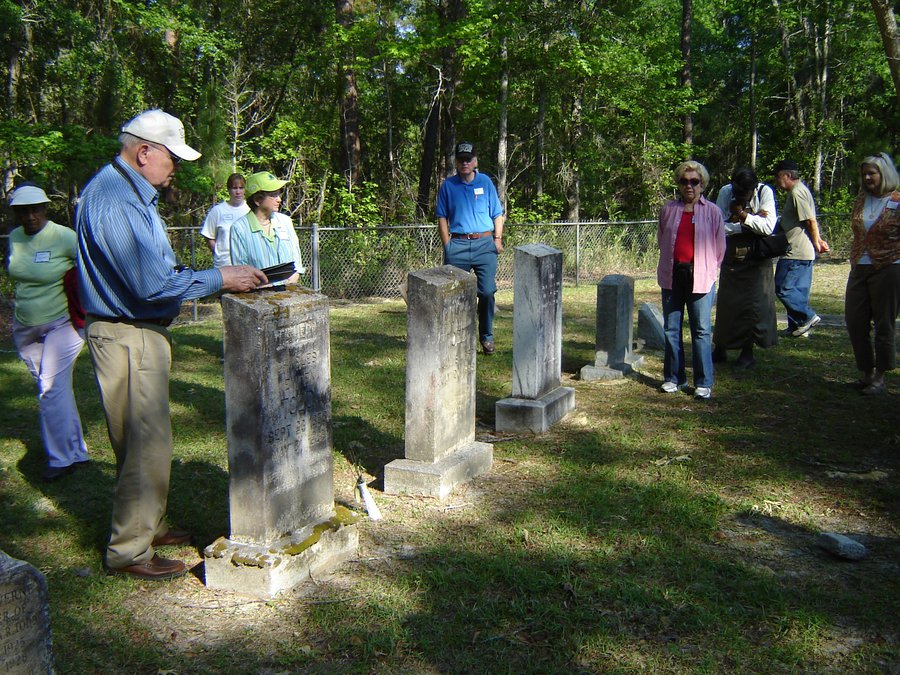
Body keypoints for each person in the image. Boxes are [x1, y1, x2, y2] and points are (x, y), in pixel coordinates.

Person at [76, 109, 266, 581]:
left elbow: (153, 270)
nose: (174, 168)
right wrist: (220, 277)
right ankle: (130, 551)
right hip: (127, 332)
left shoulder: (129, 193)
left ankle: (150, 525)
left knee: (148, 443)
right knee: (144, 446)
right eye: (171, 158)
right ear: (144, 152)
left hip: (136, 332)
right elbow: (147, 285)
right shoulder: (115, 198)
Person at [6, 183, 90, 482]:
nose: (30, 216)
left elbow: (91, 266)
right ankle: (77, 451)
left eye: (36, 209)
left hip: (62, 323)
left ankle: (60, 459)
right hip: (26, 326)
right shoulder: (15, 238)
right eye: (23, 211)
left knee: (50, 386)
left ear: (45, 209)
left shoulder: (64, 237)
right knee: (54, 390)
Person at [656, 161, 726, 399]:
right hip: (673, 275)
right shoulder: (668, 210)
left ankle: (703, 382)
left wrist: (708, 271)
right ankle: (674, 378)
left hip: (701, 278)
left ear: (702, 184)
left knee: (701, 330)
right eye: (684, 181)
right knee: (671, 329)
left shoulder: (713, 211)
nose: (689, 186)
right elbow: (662, 239)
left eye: (694, 182)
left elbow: (720, 249)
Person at [436, 141, 505, 355]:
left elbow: (497, 214)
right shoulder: (448, 186)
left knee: (486, 292)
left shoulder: (485, 182)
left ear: (475, 161)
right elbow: (441, 217)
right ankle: (456, 337)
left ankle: (487, 336)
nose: (465, 163)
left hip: (485, 244)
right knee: (455, 294)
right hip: (457, 245)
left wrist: (497, 239)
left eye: (468, 159)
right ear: (456, 162)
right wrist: (448, 245)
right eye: (461, 159)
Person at [844, 152, 900, 395]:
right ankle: (866, 371)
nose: (867, 177)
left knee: (883, 323)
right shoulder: (861, 199)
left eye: (872, 173)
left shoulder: (898, 201)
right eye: (864, 173)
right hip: (860, 266)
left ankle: (880, 376)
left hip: (889, 266)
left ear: (884, 174)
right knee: (855, 320)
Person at [713, 167, 779, 368]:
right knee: (727, 303)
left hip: (757, 258)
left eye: (745, 193)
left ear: (753, 188)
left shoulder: (764, 192)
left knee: (754, 306)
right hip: (732, 257)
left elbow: (768, 227)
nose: (740, 196)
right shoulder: (725, 192)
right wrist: (751, 223)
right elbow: (718, 225)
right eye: (737, 192)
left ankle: (747, 351)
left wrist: (742, 216)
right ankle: (720, 347)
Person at [773, 160, 829, 337]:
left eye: (778, 177)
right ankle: (798, 328)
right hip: (802, 252)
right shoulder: (799, 191)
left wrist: (817, 241)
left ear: (787, 175)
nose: (777, 181)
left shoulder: (797, 192)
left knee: (783, 288)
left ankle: (807, 317)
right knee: (798, 291)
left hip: (795, 251)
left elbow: (810, 219)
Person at [228, 171, 304, 285]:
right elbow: (241, 271)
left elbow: (296, 261)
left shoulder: (285, 222)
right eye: (273, 195)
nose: (279, 199)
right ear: (258, 200)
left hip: (290, 292)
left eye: (278, 194)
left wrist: (291, 281)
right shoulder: (239, 228)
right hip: (259, 296)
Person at [200, 173, 250, 268]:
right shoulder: (217, 210)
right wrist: (217, 252)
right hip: (223, 265)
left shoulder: (250, 210)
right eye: (234, 188)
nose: (238, 192)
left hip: (247, 265)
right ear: (228, 190)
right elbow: (208, 235)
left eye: (241, 188)